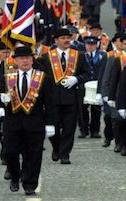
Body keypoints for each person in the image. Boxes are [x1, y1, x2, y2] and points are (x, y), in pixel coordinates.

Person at [0, 46, 57, 196]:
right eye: (21, 58)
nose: (25, 60)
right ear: (15, 60)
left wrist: (51, 123)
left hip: (35, 123)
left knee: (33, 155)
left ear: (32, 59)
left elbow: (50, 103)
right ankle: (15, 176)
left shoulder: (43, 78)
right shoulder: (6, 78)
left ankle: (30, 184)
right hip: (12, 123)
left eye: (28, 57)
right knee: (10, 153)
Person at [38, 28, 89, 164]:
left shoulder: (79, 55)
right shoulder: (46, 57)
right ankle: (56, 147)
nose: (66, 40)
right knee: (53, 129)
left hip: (71, 98)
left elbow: (87, 73)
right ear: (56, 41)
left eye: (68, 38)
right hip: (52, 99)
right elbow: (41, 78)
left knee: (69, 128)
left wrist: (76, 79)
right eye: (63, 38)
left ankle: (65, 154)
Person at [78, 36, 107, 139]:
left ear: (96, 45)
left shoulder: (102, 55)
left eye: (93, 45)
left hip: (96, 85)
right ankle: (83, 130)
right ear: (85, 45)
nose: (90, 47)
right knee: (82, 109)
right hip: (83, 85)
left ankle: (95, 130)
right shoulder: (81, 55)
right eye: (88, 44)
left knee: (96, 109)